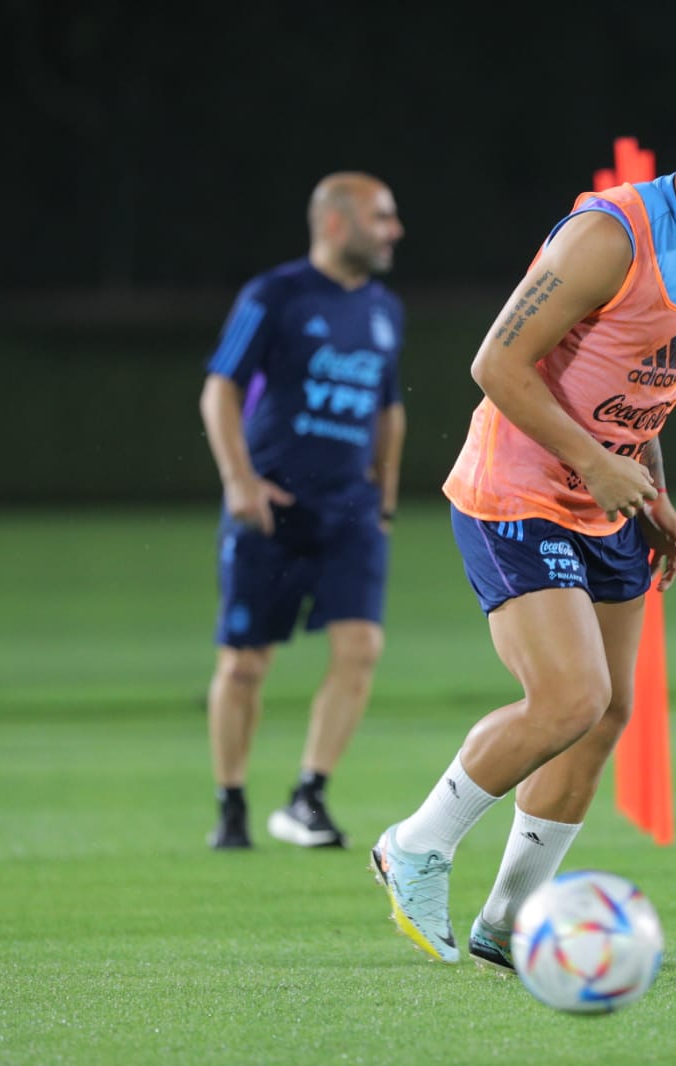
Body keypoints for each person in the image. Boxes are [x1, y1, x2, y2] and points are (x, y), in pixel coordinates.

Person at [368, 59, 676, 968]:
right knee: (568, 697)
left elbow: (647, 391)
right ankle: (415, 845)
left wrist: (653, 492)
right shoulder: (611, 235)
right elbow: (494, 365)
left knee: (606, 717)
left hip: (607, 498)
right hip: (514, 490)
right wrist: (598, 463)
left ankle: (506, 922)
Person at [199, 172, 407, 849]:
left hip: (349, 512)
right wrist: (240, 482)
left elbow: (388, 410)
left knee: (361, 648)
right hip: (272, 510)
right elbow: (219, 389)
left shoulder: (384, 309)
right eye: (381, 217)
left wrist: (385, 498)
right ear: (337, 224)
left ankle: (308, 798)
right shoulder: (275, 296)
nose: (394, 231)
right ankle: (231, 804)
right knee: (245, 663)